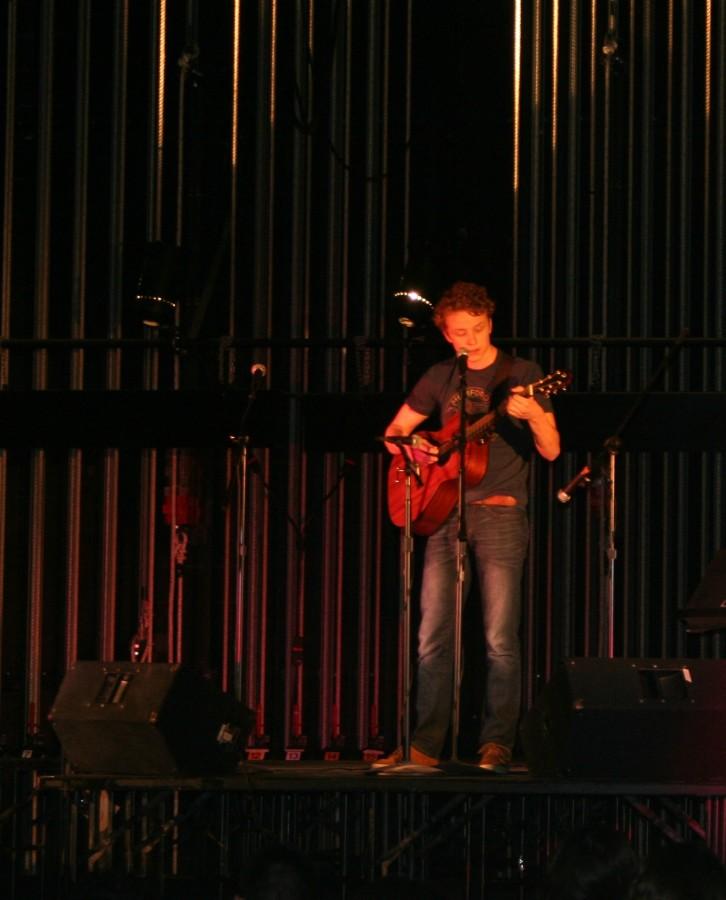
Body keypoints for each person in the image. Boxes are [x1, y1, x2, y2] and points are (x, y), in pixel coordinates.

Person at [376, 280, 561, 772]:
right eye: (460, 332)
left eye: (477, 330)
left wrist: (534, 415)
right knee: (432, 635)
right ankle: (424, 745)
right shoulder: (440, 376)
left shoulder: (522, 374)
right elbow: (395, 433)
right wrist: (418, 450)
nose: (470, 340)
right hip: (442, 512)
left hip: (500, 513)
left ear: (490, 323)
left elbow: (551, 449)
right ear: (446, 333)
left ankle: (497, 743)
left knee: (500, 637)